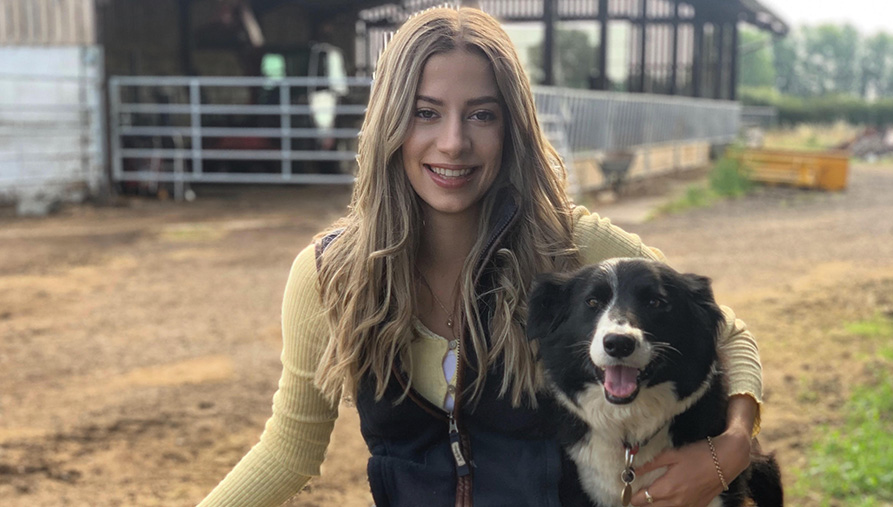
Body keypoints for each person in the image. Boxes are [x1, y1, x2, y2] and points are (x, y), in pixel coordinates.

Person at [198, 7, 763, 507]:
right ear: (389, 122)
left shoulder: (568, 247)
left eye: (481, 115)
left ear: (511, 128)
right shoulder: (331, 275)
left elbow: (730, 336)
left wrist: (731, 449)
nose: (452, 142)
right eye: (425, 112)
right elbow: (288, 452)